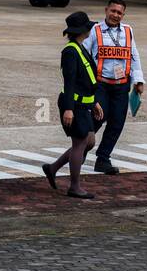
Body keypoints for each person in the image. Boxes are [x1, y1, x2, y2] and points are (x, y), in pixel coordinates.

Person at [80, 0, 145, 175]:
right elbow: (84, 53)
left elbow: (134, 56)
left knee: (117, 122)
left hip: (121, 86)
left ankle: (103, 158)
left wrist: (138, 81)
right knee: (98, 117)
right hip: (100, 84)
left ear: (123, 15)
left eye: (119, 13)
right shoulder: (95, 30)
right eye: (113, 11)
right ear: (106, 10)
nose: (115, 15)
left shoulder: (128, 31)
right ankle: (82, 149)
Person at [43, 11, 104, 199]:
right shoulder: (70, 51)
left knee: (89, 141)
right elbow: (69, 83)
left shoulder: (80, 47)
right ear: (81, 31)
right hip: (74, 105)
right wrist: (68, 109)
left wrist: (94, 102)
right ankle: (74, 187)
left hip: (84, 104)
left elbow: (85, 80)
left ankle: (52, 168)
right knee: (80, 143)